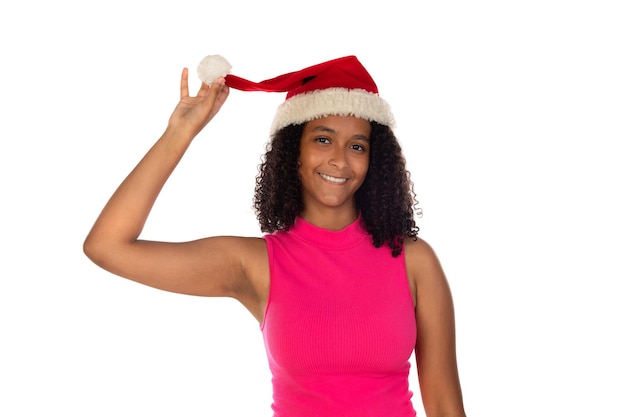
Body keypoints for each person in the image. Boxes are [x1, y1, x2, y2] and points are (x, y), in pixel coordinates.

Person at [83, 54, 467, 417]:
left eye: (357, 146)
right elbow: (107, 247)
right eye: (322, 138)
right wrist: (180, 132)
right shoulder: (256, 264)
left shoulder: (413, 259)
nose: (339, 159)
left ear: (373, 160)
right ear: (293, 151)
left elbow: (447, 408)